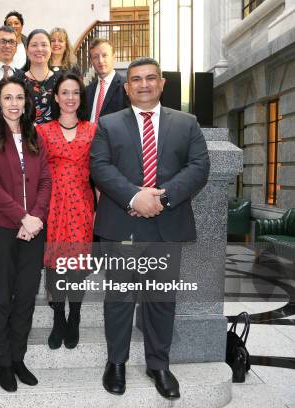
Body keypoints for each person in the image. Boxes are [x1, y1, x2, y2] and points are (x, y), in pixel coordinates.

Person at [90, 57, 210, 400]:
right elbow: (100, 167)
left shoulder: (187, 123)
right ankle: (116, 363)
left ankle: (158, 364)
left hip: (166, 225)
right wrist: (134, 198)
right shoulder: (108, 124)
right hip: (121, 226)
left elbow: (199, 167)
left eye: (151, 78)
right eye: (136, 80)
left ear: (162, 84)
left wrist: (162, 198)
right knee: (118, 300)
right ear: (126, 88)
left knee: (160, 300)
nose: (144, 84)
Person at [0, 76, 51, 392]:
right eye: (7, 97)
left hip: (33, 230)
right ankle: (3, 361)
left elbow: (46, 181)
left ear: (26, 102)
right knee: (1, 297)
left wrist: (35, 218)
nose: (14, 103)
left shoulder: (37, 136)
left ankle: (18, 358)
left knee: (26, 298)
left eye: (19, 97)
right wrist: (22, 216)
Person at [37, 72, 95, 350]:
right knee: (55, 266)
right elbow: (35, 172)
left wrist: (100, 207)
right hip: (53, 205)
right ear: (56, 97)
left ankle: (75, 316)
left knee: (77, 266)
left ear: (80, 97)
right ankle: (59, 316)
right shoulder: (42, 131)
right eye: (65, 92)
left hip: (82, 204)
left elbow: (101, 171)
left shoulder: (93, 129)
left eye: (75, 92)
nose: (70, 98)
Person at [85, 38, 129, 123]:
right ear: (91, 61)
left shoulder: (126, 87)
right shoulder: (88, 90)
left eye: (104, 55)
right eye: (95, 57)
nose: (100, 61)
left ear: (113, 57)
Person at [21, 29, 57, 125]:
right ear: (26, 50)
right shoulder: (17, 81)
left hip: (55, 138)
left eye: (44, 45)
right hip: (26, 137)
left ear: (51, 49)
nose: (39, 49)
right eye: (34, 45)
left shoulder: (61, 81)